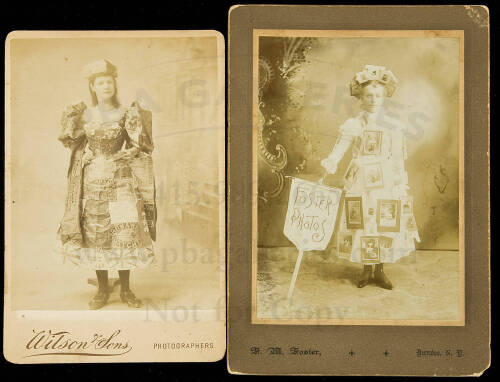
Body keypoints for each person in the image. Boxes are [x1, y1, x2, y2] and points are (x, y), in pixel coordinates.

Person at [57, 59, 157, 309]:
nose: (105, 86)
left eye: (109, 82)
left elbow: (141, 145)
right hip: (93, 182)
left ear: (115, 84)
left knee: (124, 233)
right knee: (96, 234)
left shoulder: (127, 112)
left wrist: (130, 153)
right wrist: (86, 154)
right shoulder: (84, 114)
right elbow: (73, 144)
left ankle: (126, 289)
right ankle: (102, 291)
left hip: (122, 180)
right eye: (99, 83)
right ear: (93, 86)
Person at [321, 65, 421, 289]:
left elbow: (397, 157)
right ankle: (366, 270)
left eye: (378, 95)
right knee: (364, 222)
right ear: (361, 98)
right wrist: (332, 162)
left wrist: (401, 183)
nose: (373, 99)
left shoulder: (394, 126)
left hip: (386, 179)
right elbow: (341, 146)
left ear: (384, 97)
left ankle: (381, 270)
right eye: (369, 95)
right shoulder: (354, 125)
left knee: (384, 223)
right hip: (361, 181)